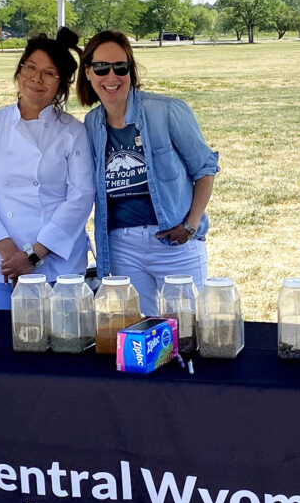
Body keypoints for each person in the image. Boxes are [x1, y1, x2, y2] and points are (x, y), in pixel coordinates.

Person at [77, 30, 219, 316]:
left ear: (131, 70)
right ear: (88, 73)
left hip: (173, 240)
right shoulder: (91, 123)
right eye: (102, 68)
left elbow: (205, 169)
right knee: (136, 331)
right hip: (121, 246)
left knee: (189, 329)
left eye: (121, 67)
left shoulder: (166, 111)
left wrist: (190, 226)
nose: (112, 77)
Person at [0, 27, 94, 309]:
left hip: (60, 265)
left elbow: (80, 198)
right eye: (30, 67)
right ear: (19, 71)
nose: (36, 79)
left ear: (62, 83)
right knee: (8, 347)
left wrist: (33, 255)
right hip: (5, 267)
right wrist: (10, 254)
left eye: (49, 73)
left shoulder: (73, 131)